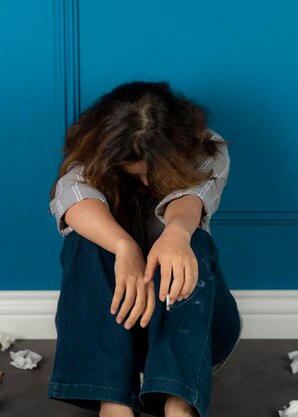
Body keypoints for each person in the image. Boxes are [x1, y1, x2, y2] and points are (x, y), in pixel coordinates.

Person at [47, 81, 242, 417]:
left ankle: (179, 405)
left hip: (195, 331)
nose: (150, 183)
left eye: (157, 171)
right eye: (136, 174)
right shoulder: (92, 157)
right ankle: (115, 405)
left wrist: (177, 233)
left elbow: (191, 199)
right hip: (113, 329)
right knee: (87, 239)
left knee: (191, 241)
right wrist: (125, 248)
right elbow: (73, 197)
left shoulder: (209, 147)